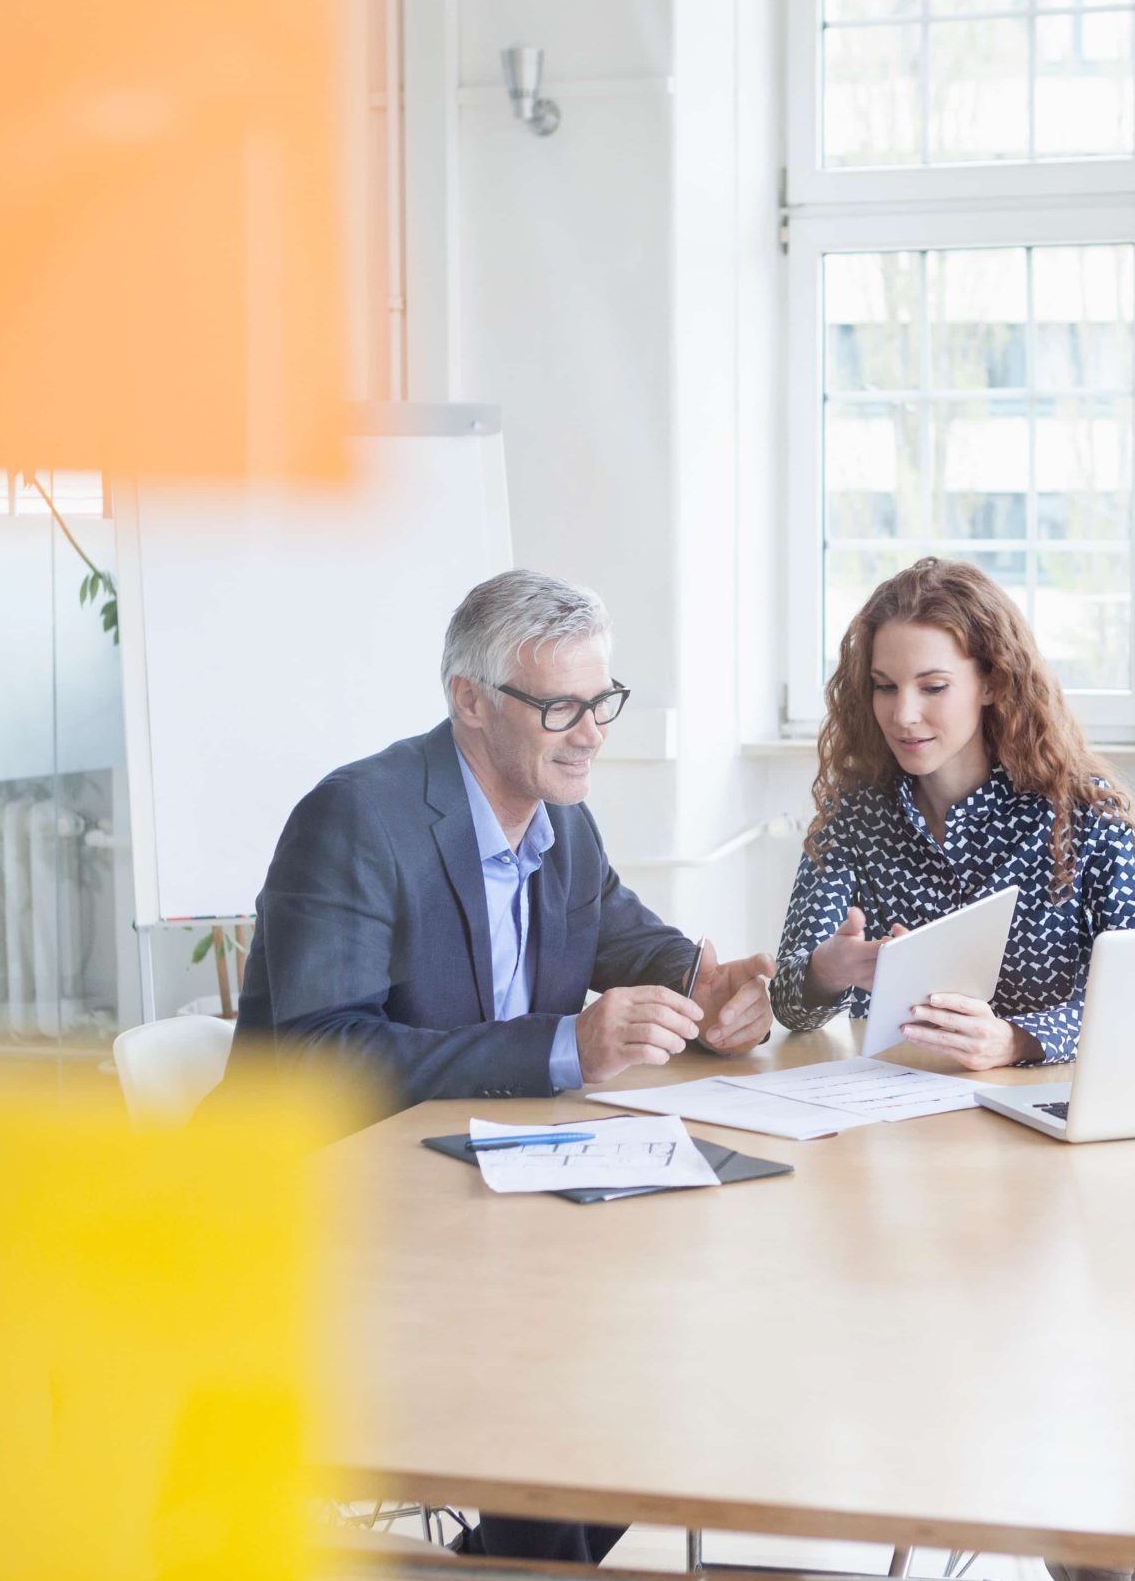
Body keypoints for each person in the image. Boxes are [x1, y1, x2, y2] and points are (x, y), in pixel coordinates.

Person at [232, 568, 773, 1566]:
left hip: (486, 1200)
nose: (591, 733)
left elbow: (622, 934)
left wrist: (703, 982)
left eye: (601, 701)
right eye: (559, 705)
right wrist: (568, 1045)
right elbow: (318, 1057)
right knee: (561, 1385)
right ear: (469, 702)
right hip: (334, 1214)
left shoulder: (561, 819)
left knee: (648, 1355)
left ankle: (512, 1551)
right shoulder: (357, 818)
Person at [771, 557, 1135, 1070]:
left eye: (933, 687)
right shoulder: (854, 814)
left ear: (992, 683)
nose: (903, 715)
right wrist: (825, 971)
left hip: (1044, 1111)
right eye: (884, 686)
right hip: (893, 1120)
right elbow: (789, 1007)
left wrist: (1017, 1041)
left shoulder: (1082, 812)